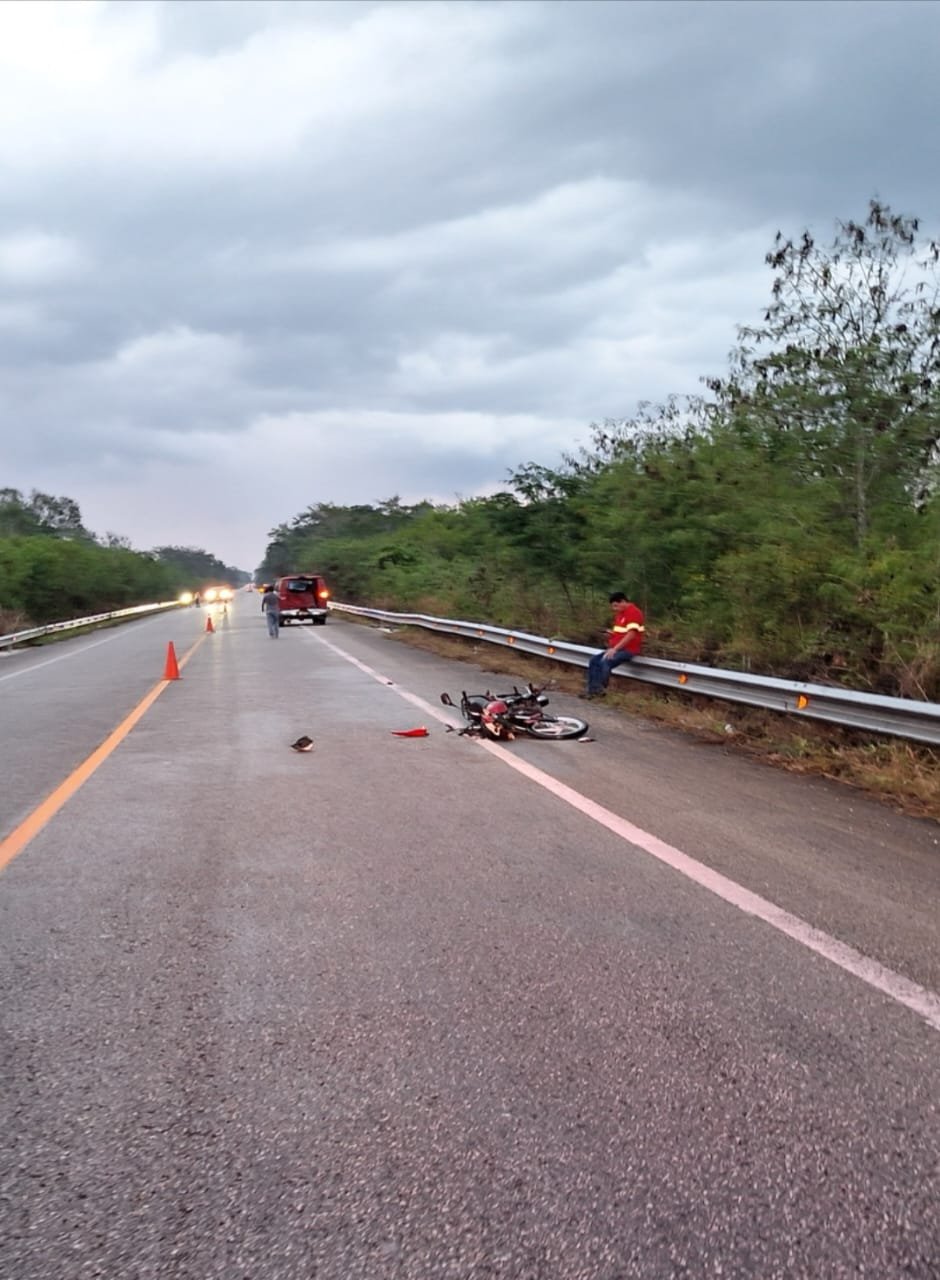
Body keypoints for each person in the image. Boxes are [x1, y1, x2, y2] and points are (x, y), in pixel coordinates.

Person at [583, 591, 645, 698]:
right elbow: (621, 633)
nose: (614, 609)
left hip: (628, 649)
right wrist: (611, 635)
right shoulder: (621, 614)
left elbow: (631, 634)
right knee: (594, 660)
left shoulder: (634, 613)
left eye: (616, 605)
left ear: (623, 601)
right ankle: (592, 690)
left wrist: (614, 649)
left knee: (605, 661)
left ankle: (600, 688)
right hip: (617, 648)